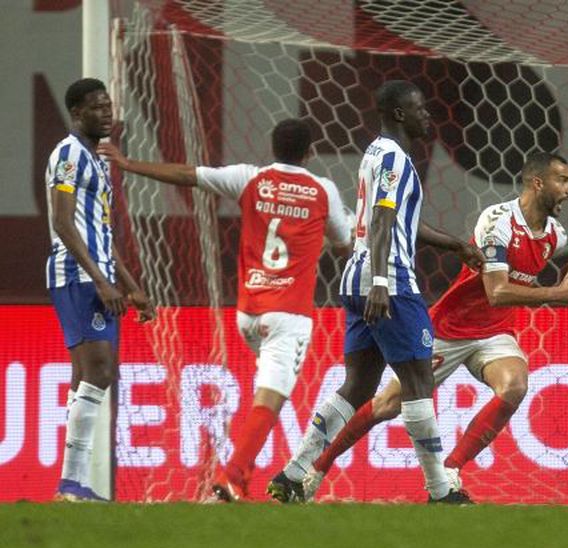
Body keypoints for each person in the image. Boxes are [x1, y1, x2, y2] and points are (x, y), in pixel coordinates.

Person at [297, 152, 568, 501]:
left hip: (495, 333)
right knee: (386, 405)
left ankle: (451, 470)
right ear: (537, 183)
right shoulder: (498, 222)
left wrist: (549, 294)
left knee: (515, 386)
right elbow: (498, 292)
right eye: (562, 180)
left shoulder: (556, 235)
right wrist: (556, 294)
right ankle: (317, 468)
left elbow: (509, 291)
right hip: (450, 329)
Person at [99, 119, 354, 501]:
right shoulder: (323, 190)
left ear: (273, 147)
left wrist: (129, 164)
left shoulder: (250, 178)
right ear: (309, 152)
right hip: (287, 315)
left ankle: (237, 477)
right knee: (270, 397)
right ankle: (233, 477)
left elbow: (187, 174)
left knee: (265, 394)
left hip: (248, 314)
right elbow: (344, 242)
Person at [267, 80, 482, 504]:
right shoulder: (396, 159)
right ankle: (440, 490)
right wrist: (383, 282)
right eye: (420, 108)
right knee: (418, 381)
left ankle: (292, 475)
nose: (427, 116)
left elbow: (401, 222)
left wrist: (455, 244)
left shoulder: (377, 154)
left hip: (357, 277)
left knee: (360, 384)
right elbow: (383, 222)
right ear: (399, 113)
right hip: (390, 282)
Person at [47, 78, 155, 502]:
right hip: (75, 275)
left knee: (90, 375)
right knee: (99, 372)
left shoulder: (99, 161)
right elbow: (62, 221)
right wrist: (100, 279)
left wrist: (131, 286)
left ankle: (71, 485)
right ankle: (72, 482)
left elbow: (103, 234)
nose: (106, 112)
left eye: (108, 105)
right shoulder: (69, 154)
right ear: (77, 113)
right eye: (96, 107)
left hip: (101, 277)